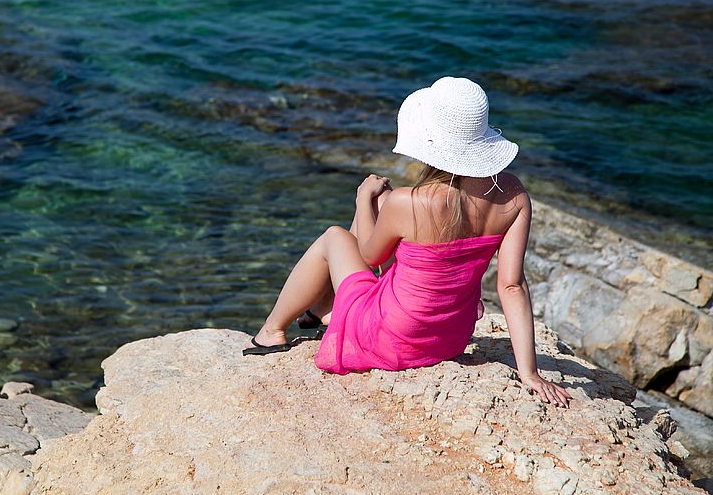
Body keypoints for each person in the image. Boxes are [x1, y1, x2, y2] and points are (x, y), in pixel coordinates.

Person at [244, 76, 571, 408]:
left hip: (393, 335)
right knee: (386, 208)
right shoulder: (514, 196)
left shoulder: (408, 201)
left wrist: (363, 200)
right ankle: (319, 311)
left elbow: (369, 256)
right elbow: (512, 286)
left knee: (335, 237)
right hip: (448, 338)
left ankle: (271, 331)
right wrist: (529, 373)